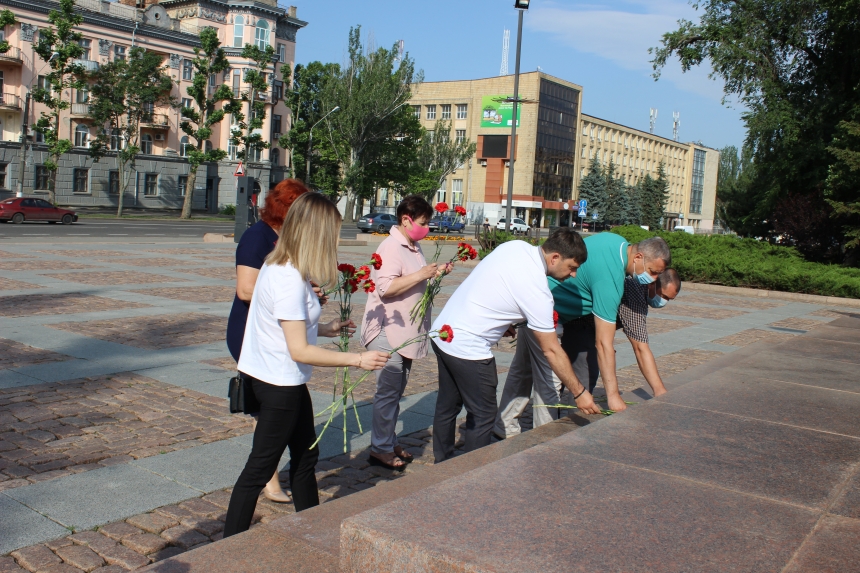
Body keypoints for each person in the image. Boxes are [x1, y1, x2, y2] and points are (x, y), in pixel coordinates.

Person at [223, 193, 389, 537]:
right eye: (333, 232)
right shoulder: (286, 277)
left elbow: (283, 326)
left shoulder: (281, 266)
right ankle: (226, 547)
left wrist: (325, 329)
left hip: (283, 381)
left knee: (305, 458)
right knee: (258, 469)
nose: (335, 240)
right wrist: (357, 359)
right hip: (278, 385)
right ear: (316, 233)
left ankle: (312, 530)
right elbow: (299, 350)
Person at [430, 228, 601, 463]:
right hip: (469, 347)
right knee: (483, 415)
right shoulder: (538, 289)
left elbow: (494, 282)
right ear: (555, 258)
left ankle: (442, 465)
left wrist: (505, 319)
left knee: (447, 407)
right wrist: (579, 392)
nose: (573, 275)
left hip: (444, 332)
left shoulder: (515, 247)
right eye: (572, 267)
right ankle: (469, 476)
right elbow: (551, 349)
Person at [494, 233, 670, 439]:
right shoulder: (610, 277)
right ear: (638, 257)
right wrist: (613, 397)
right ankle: (547, 439)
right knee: (550, 380)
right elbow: (603, 344)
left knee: (522, 370)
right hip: (547, 312)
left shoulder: (616, 241)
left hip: (535, 303)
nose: (653, 279)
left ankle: (504, 426)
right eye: (652, 272)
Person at [225, 179, 308, 503]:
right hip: (251, 331)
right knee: (267, 410)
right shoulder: (256, 237)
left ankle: (268, 472)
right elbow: (246, 289)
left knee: (274, 411)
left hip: (277, 329)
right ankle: (267, 477)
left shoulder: (285, 238)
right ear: (287, 208)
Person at [361, 196, 447, 470]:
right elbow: (386, 288)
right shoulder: (390, 247)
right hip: (389, 330)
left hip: (406, 332)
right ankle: (380, 448)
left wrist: (435, 272)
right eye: (423, 223)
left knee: (395, 394)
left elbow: (413, 278)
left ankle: (388, 440)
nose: (427, 227)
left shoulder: (412, 245)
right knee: (387, 394)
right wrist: (422, 274)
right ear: (406, 219)